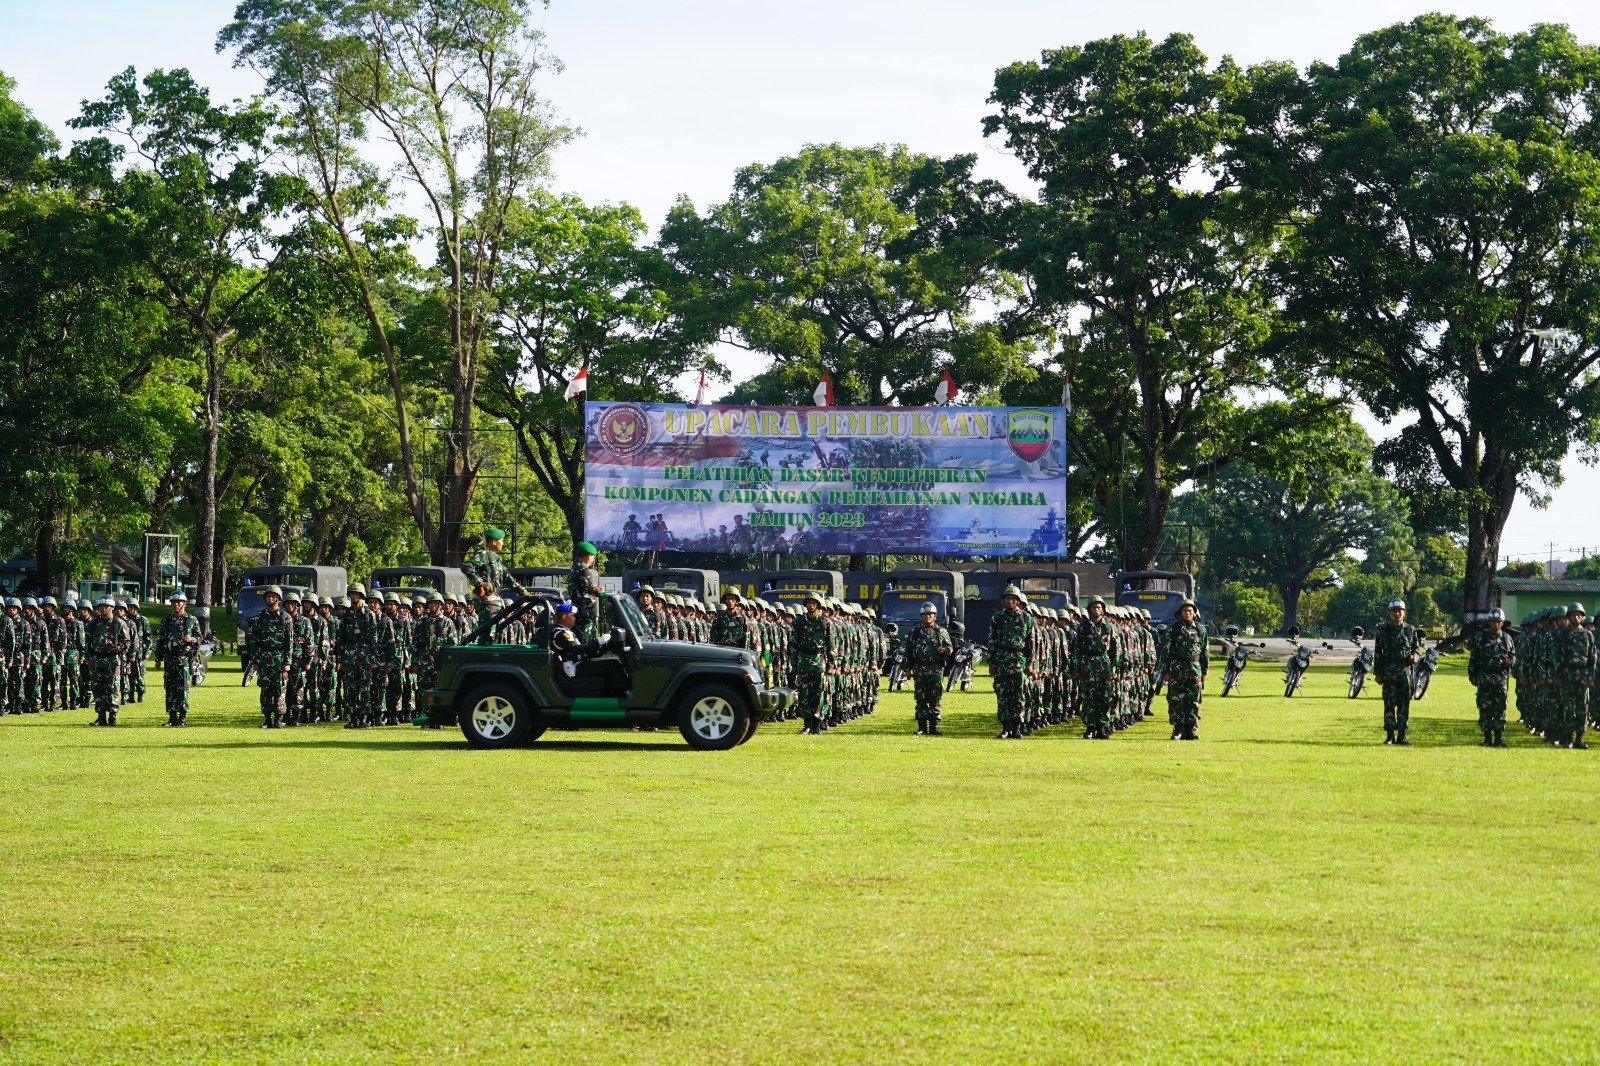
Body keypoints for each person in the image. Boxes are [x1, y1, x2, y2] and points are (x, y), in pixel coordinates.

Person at [548, 602, 628, 695]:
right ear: (564, 616)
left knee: (613, 662)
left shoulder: (566, 631)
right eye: (572, 615)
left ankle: (618, 692)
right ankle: (624, 691)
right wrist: (598, 642)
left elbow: (582, 651)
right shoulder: (560, 633)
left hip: (577, 664)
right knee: (611, 665)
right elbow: (576, 649)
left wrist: (605, 647)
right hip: (572, 668)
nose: (575, 618)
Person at [243, 585, 294, 729]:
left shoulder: (286, 618)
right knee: (265, 689)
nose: (270, 599)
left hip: (279, 657)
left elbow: (289, 641)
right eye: (268, 596)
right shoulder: (260, 617)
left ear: (278, 598)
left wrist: (287, 662)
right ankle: (267, 718)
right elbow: (254, 640)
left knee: (279, 689)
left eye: (273, 596)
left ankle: (278, 718)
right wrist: (256, 661)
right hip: (264, 658)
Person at [989, 586, 1034, 740]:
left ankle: (1017, 728)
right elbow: (992, 640)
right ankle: (1005, 728)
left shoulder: (1027, 618)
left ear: (1018, 601)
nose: (1010, 601)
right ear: (1003, 600)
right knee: (1002, 695)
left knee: (1018, 695)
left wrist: (1030, 663)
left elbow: (1031, 642)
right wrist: (991, 661)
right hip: (1002, 659)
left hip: (1018, 658)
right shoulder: (997, 618)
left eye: (1013, 598)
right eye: (1007, 598)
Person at [153, 590, 204, 726]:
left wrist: (191, 639)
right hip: (169, 660)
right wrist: (158, 659)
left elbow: (200, 638)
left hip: (184, 660)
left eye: (178, 602)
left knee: (183, 688)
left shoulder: (191, 620)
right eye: (173, 602)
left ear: (185, 604)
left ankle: (182, 717)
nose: (176, 604)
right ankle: (171, 717)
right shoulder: (166, 620)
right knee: (170, 688)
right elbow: (161, 640)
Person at [1374, 599, 1421, 745]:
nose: (1397, 613)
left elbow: (1416, 649)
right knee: (1388, 704)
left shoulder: (1410, 630)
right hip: (1388, 672)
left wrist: (1415, 657)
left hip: (1404, 672)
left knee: (1403, 705)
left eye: (1399, 610)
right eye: (1394, 610)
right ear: (1390, 613)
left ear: (1404, 612)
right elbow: (1377, 652)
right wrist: (1378, 673)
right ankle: (1390, 736)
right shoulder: (1383, 630)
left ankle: (1401, 736)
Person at [1468, 607, 1514, 747]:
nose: (1496, 624)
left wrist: (1509, 662)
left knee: (1500, 708)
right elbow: (1473, 658)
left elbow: (1513, 656)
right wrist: (1472, 676)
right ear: (1489, 622)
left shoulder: (1507, 638)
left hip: (1500, 678)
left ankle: (1498, 739)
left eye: (1498, 621)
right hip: (1484, 677)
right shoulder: (1480, 637)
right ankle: (1487, 739)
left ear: (1502, 622)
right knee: (1485, 708)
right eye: (1493, 621)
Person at [1163, 600, 1209, 740]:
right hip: (1177, 667)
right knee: (1176, 699)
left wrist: (1205, 669)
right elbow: (1165, 650)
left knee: (1194, 699)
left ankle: (1190, 729)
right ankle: (1178, 728)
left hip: (1194, 668)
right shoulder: (1173, 629)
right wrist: (1165, 671)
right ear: (1180, 613)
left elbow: (1204, 651)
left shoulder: (1201, 629)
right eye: (1184, 611)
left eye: (1190, 611)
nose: (1187, 613)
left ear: (1195, 613)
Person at [906, 601, 953, 735]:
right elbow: (908, 651)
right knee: (920, 698)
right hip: (920, 669)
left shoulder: (941, 631)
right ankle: (921, 727)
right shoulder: (914, 632)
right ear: (921, 616)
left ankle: (934, 726)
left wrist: (941, 649)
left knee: (935, 698)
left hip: (936, 669)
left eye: (930, 614)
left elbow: (950, 648)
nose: (927, 617)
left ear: (935, 616)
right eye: (925, 614)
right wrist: (907, 669)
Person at [85, 597, 130, 726]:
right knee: (97, 687)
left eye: (106, 606)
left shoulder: (119, 623)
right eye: (101, 606)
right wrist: (89, 657)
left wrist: (118, 648)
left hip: (112, 659)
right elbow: (87, 642)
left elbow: (127, 642)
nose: (103, 609)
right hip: (97, 658)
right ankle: (101, 716)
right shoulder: (93, 624)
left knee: (113, 687)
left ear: (112, 608)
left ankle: (112, 716)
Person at [564, 541, 605, 642]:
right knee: (585, 638)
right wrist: (602, 592)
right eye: (593, 556)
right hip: (583, 611)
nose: (594, 559)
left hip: (576, 608)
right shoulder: (583, 569)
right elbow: (591, 586)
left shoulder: (575, 567)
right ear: (588, 555)